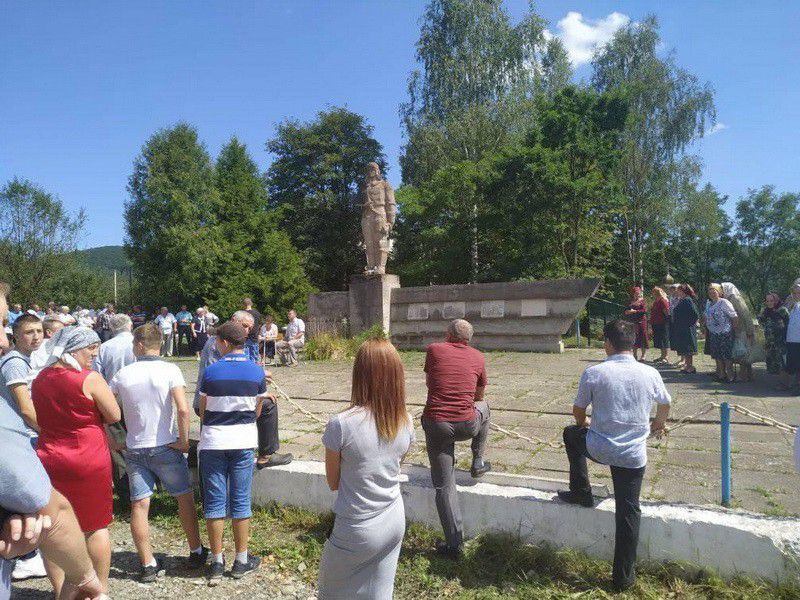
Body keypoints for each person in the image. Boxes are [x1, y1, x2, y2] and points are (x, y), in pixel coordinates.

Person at [558, 319, 671, 592]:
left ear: (608, 343)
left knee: (571, 434)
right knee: (629, 510)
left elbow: (578, 410)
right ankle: (623, 578)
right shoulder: (650, 372)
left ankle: (581, 491)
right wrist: (657, 423)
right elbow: (665, 404)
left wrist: (585, 424)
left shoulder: (594, 371)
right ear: (632, 344)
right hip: (632, 454)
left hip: (598, 447)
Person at [318, 338, 415, 599]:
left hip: (357, 524)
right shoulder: (406, 420)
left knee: (332, 592)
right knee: (380, 591)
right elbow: (394, 466)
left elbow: (333, 481)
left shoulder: (341, 424)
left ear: (359, 373)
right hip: (393, 517)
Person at [109, 323, 207, 582]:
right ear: (158, 344)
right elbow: (183, 409)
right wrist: (184, 441)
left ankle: (147, 563)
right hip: (165, 444)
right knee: (183, 498)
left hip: (135, 447)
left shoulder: (123, 374)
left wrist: (112, 442)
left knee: (139, 505)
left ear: (139, 345)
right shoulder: (170, 369)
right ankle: (196, 551)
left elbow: (105, 409)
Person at [32, 327, 121, 593]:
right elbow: (114, 414)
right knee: (95, 525)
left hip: (50, 455)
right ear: (73, 349)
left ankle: (61, 590)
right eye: (90, 348)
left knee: (54, 527)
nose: (95, 353)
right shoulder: (89, 378)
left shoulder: (40, 378)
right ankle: (98, 590)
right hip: (87, 457)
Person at [197, 321, 264, 584]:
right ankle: (242, 560)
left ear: (224, 342)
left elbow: (203, 409)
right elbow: (257, 409)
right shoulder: (256, 372)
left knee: (214, 503)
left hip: (214, 442)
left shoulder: (211, 372)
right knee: (240, 500)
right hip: (243, 441)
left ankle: (216, 561)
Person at [421, 319, 490, 558]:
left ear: (448, 334)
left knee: (444, 485)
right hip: (468, 425)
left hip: (437, 424)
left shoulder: (434, 349)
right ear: (469, 339)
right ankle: (478, 459)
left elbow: (431, 383)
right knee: (485, 407)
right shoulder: (479, 357)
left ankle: (454, 545)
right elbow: (479, 395)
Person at [194, 311, 292, 469]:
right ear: (233, 321)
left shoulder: (234, 342)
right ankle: (266, 455)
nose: (247, 331)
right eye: (244, 326)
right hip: (212, 401)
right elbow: (219, 379)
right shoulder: (217, 343)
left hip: (225, 397)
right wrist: (257, 382)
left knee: (266, 400)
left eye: (250, 328)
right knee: (267, 405)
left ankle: (264, 455)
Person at [0, 313, 47, 582]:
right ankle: (29, 557)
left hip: (20, 433)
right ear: (16, 336)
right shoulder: (16, 363)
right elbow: (26, 409)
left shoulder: (22, 359)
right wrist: (48, 433)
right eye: (29, 332)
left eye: (39, 331)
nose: (36, 336)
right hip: (22, 434)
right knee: (27, 497)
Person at [93, 313, 136, 505]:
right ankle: (151, 485)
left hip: (112, 398)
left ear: (111, 328)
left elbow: (97, 375)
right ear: (130, 325)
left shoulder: (104, 348)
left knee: (117, 446)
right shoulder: (139, 342)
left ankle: (125, 491)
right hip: (137, 397)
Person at [722, 282, 756, 382]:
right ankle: (749, 375)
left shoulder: (735, 299)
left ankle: (743, 375)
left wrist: (750, 331)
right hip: (738, 329)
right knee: (744, 352)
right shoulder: (729, 299)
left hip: (742, 330)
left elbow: (745, 314)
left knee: (742, 352)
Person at [705, 283, 738, 383]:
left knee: (726, 355)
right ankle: (721, 374)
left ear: (719, 292)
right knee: (717, 354)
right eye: (710, 292)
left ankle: (730, 375)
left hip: (725, 332)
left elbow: (734, 317)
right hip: (713, 333)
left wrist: (734, 329)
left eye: (714, 291)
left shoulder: (724, 302)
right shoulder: (709, 304)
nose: (712, 294)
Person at [759, 293, 790, 376]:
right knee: (772, 365)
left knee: (782, 364)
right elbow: (761, 323)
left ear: (776, 300)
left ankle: (784, 384)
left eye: (771, 301)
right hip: (769, 342)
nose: (769, 303)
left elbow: (789, 323)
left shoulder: (782, 310)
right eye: (767, 301)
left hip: (781, 342)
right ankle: (777, 383)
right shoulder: (764, 312)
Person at [671, 284, 699, 374]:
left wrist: (689, 324)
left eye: (678, 290)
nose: (677, 292)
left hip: (687, 328)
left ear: (683, 291)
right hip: (681, 327)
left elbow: (695, 314)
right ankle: (687, 366)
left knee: (688, 348)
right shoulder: (682, 300)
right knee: (684, 347)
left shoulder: (688, 300)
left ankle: (690, 367)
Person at [783, 283, 800, 395]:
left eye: (798, 293)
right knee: (795, 365)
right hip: (792, 340)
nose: (796, 295)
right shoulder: (795, 305)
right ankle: (797, 386)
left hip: (798, 340)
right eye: (794, 293)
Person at [624, 287, 648, 361]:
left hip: (641, 321)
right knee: (634, 337)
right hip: (632, 321)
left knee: (642, 337)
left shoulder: (642, 301)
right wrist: (627, 312)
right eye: (635, 293)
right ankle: (634, 355)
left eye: (638, 293)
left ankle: (643, 355)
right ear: (633, 294)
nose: (637, 294)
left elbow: (644, 310)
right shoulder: (630, 301)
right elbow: (626, 310)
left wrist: (635, 311)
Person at [650, 287, 670, 364]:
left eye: (653, 292)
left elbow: (666, 312)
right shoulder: (656, 301)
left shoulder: (662, 301)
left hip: (663, 323)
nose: (652, 294)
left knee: (664, 340)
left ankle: (666, 357)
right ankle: (662, 356)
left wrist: (667, 322)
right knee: (660, 341)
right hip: (656, 323)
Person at [241, 298, 262, 363]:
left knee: (245, 358)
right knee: (255, 358)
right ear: (251, 304)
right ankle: (255, 371)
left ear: (243, 304)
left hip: (244, 337)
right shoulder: (257, 313)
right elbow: (259, 325)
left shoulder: (242, 314)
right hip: (254, 337)